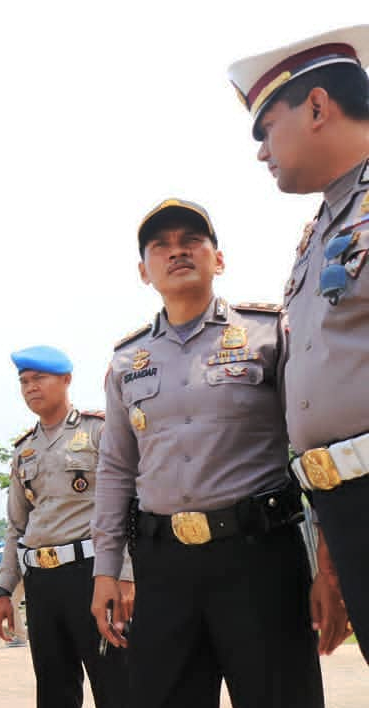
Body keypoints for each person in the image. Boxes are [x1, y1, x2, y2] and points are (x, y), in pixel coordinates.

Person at [90, 199, 326, 708]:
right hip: (164, 568)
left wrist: (326, 561)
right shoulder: (127, 361)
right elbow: (115, 470)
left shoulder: (269, 334)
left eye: (190, 242)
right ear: (143, 270)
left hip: (259, 558)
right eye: (161, 247)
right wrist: (107, 569)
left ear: (218, 258)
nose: (177, 253)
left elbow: (310, 443)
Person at [228, 25, 369, 663]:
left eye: (265, 129)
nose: (261, 152)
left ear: (316, 106)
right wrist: (334, 559)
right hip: (345, 506)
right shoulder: (317, 235)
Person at [0, 345, 131, 708]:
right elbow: (15, 526)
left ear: (66, 379)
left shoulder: (98, 430)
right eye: (24, 382)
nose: (30, 387)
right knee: (54, 690)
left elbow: (129, 506)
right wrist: (4, 590)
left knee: (116, 683)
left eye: (39, 378)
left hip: (93, 575)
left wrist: (126, 574)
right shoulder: (24, 450)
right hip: (42, 583)